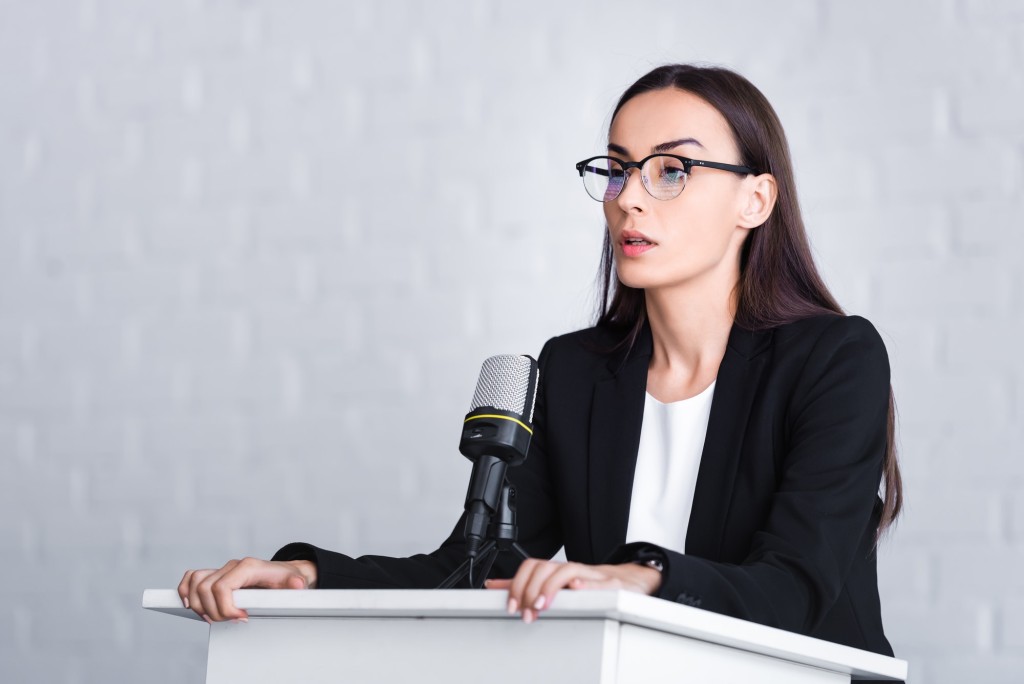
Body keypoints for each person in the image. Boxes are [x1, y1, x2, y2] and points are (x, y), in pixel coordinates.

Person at [178, 64, 903, 664]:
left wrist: (638, 577)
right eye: (617, 170)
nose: (630, 200)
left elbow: (793, 588)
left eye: (673, 171)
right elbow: (480, 566)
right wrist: (306, 576)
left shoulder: (835, 361)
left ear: (756, 198)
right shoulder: (575, 372)